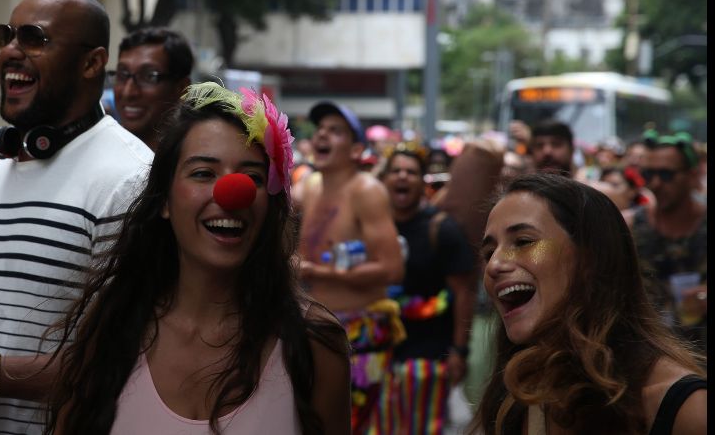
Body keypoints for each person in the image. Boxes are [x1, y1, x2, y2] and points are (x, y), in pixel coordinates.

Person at [42, 82, 351, 434]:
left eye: (252, 177)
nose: (231, 193)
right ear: (163, 201)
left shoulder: (313, 343)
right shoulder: (112, 329)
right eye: (203, 173)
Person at [0, 0, 154, 435]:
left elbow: (137, 364)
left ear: (91, 62)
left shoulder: (131, 179)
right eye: (5, 35)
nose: (9, 51)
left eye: (33, 38)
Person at [470, 173, 706, 435]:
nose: (494, 265)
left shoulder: (684, 408)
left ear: (590, 259)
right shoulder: (517, 400)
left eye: (524, 242)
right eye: (489, 253)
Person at [298, 101, 404, 435]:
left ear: (357, 148)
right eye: (321, 129)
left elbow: (392, 268)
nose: (323, 135)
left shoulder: (367, 191)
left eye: (336, 130)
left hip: (360, 333)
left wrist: (318, 273)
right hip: (314, 326)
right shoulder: (310, 186)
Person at [378, 145, 476, 434]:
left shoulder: (442, 229)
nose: (403, 177)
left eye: (411, 172)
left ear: (422, 182)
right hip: (379, 351)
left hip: (429, 355)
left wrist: (459, 351)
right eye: (395, 171)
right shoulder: (373, 227)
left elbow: (462, 293)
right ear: (384, 180)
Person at [632, 132, 707, 353]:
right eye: (648, 174)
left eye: (666, 175)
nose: (655, 184)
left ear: (692, 176)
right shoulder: (630, 228)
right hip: (652, 358)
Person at [111, 27, 194, 150]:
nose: (128, 92)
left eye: (149, 76)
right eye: (122, 74)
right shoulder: (98, 152)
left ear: (182, 88)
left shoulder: (194, 159)